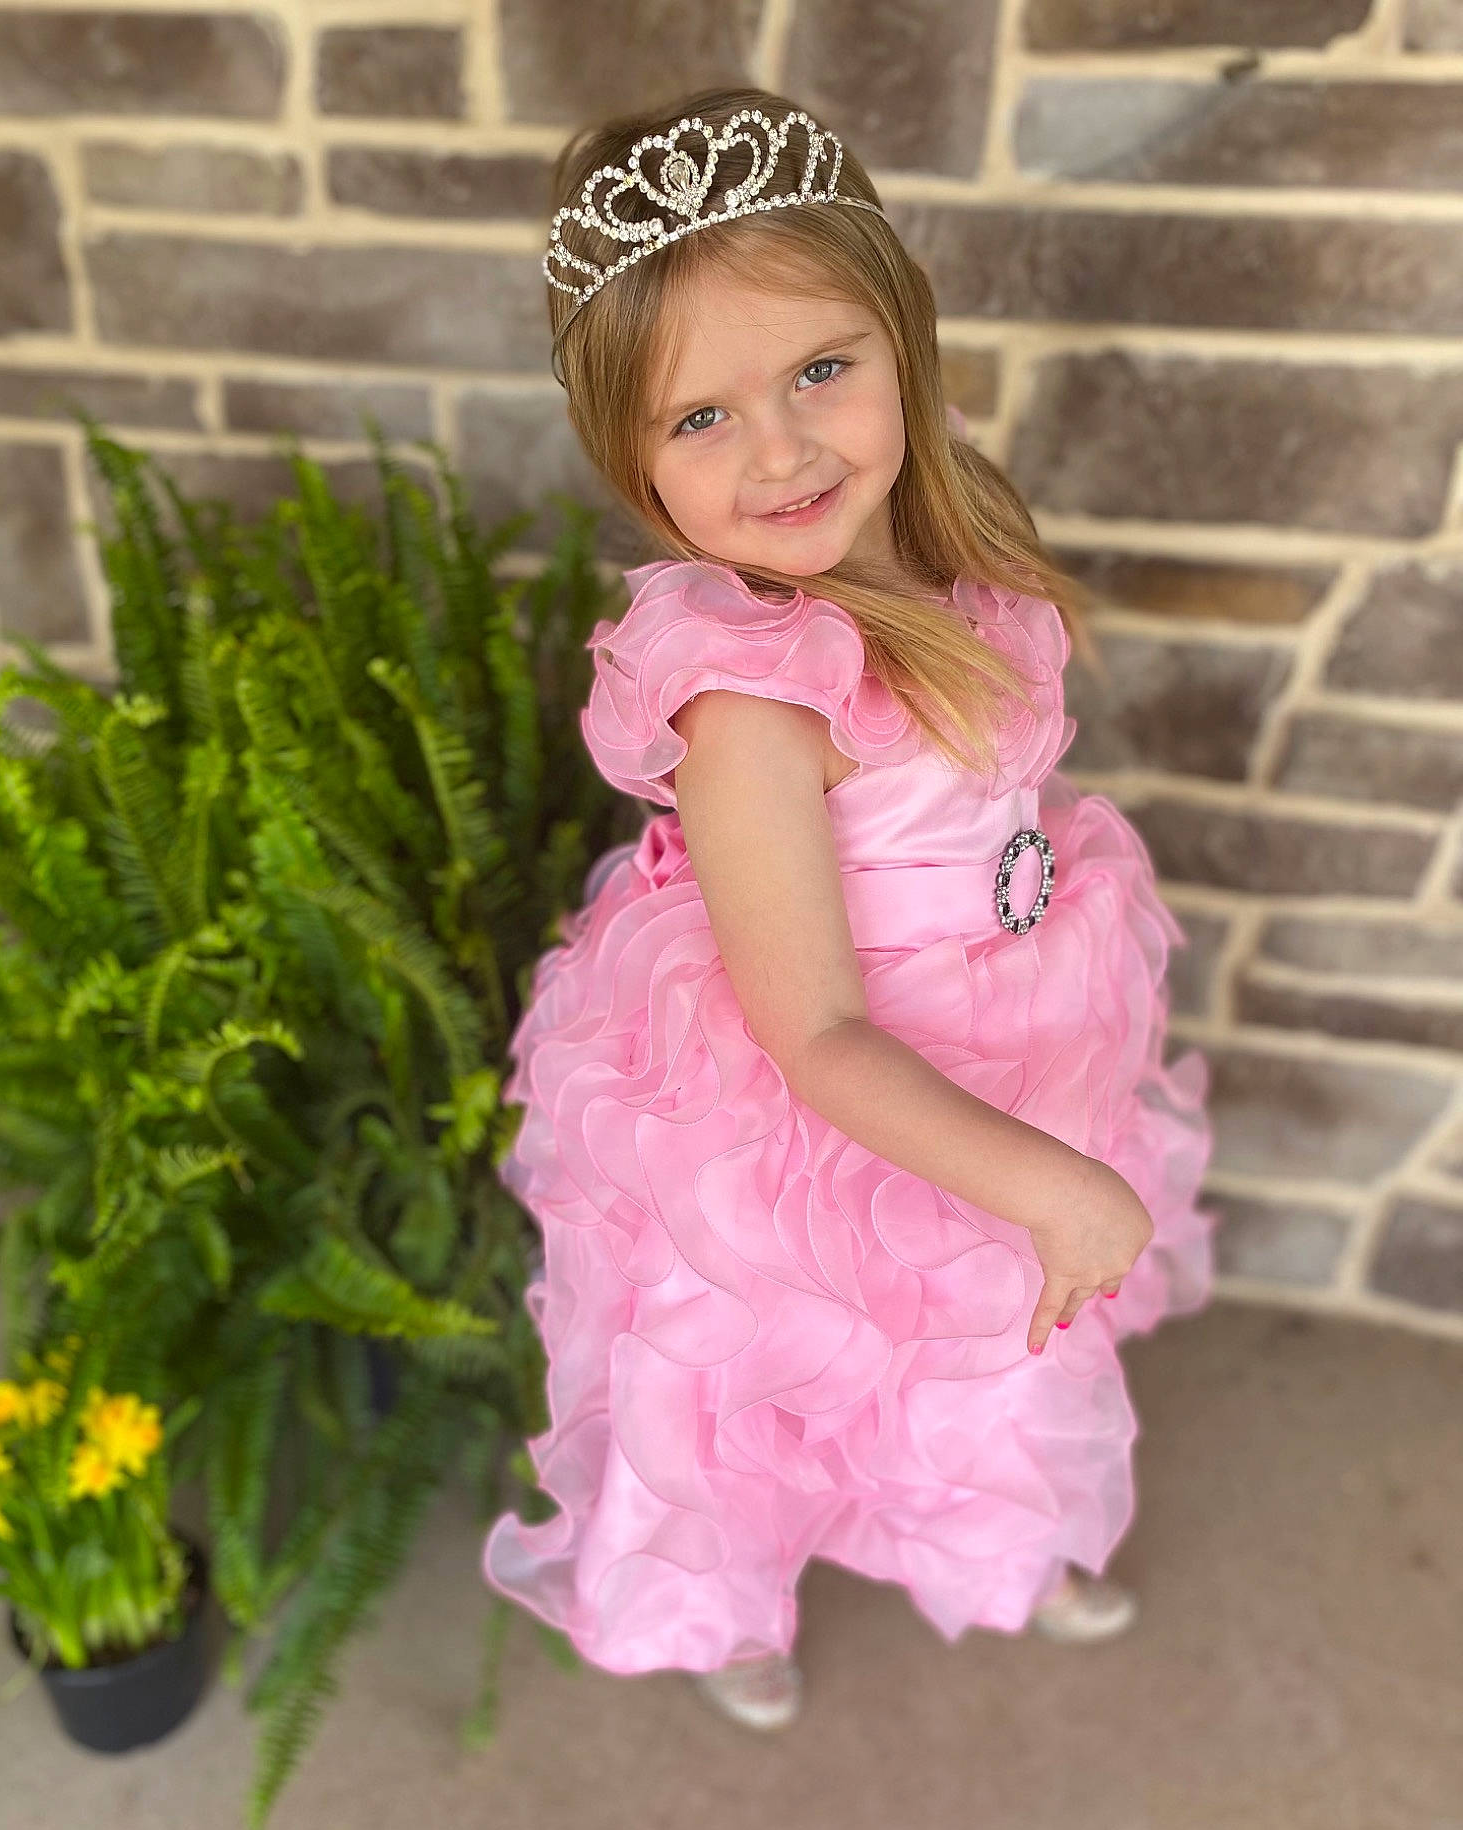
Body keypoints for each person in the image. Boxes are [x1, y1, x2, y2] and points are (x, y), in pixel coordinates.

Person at [480, 86, 1216, 1732]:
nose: (786, 449)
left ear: (901, 336)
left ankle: (1003, 1535)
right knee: (765, 1385)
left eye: (821, 368)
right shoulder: (751, 702)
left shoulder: (955, 546)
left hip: (1005, 1032)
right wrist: (1057, 1182)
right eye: (701, 418)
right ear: (630, 458)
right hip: (814, 1099)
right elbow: (812, 1033)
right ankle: (729, 1610)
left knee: (978, 1335)